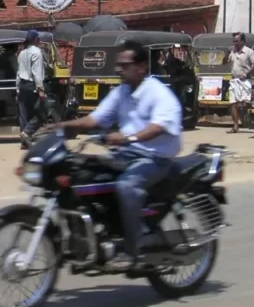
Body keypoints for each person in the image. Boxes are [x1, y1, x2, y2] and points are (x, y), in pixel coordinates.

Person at [48, 40, 182, 270]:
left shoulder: (159, 93)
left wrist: (128, 138)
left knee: (126, 187)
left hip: (155, 159)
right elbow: (95, 120)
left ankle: (137, 245)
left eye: (124, 65)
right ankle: (94, 238)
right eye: (118, 65)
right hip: (125, 155)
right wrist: (62, 126)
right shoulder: (121, 92)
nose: (119, 69)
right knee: (81, 174)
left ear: (141, 67)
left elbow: (158, 126)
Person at [16, 30, 44, 144]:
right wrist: (41, 89)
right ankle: (27, 132)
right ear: (36, 40)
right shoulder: (37, 52)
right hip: (31, 85)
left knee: (24, 114)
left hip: (22, 85)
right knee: (40, 113)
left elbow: (18, 73)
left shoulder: (22, 53)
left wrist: (17, 89)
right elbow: (37, 72)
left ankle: (25, 141)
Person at [223, 32, 254, 133]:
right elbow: (223, 62)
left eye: (237, 41)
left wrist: (246, 73)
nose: (235, 43)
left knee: (246, 103)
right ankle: (235, 126)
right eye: (234, 41)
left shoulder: (249, 52)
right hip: (234, 80)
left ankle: (250, 119)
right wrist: (227, 52)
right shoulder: (232, 52)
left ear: (243, 41)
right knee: (233, 103)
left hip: (245, 81)